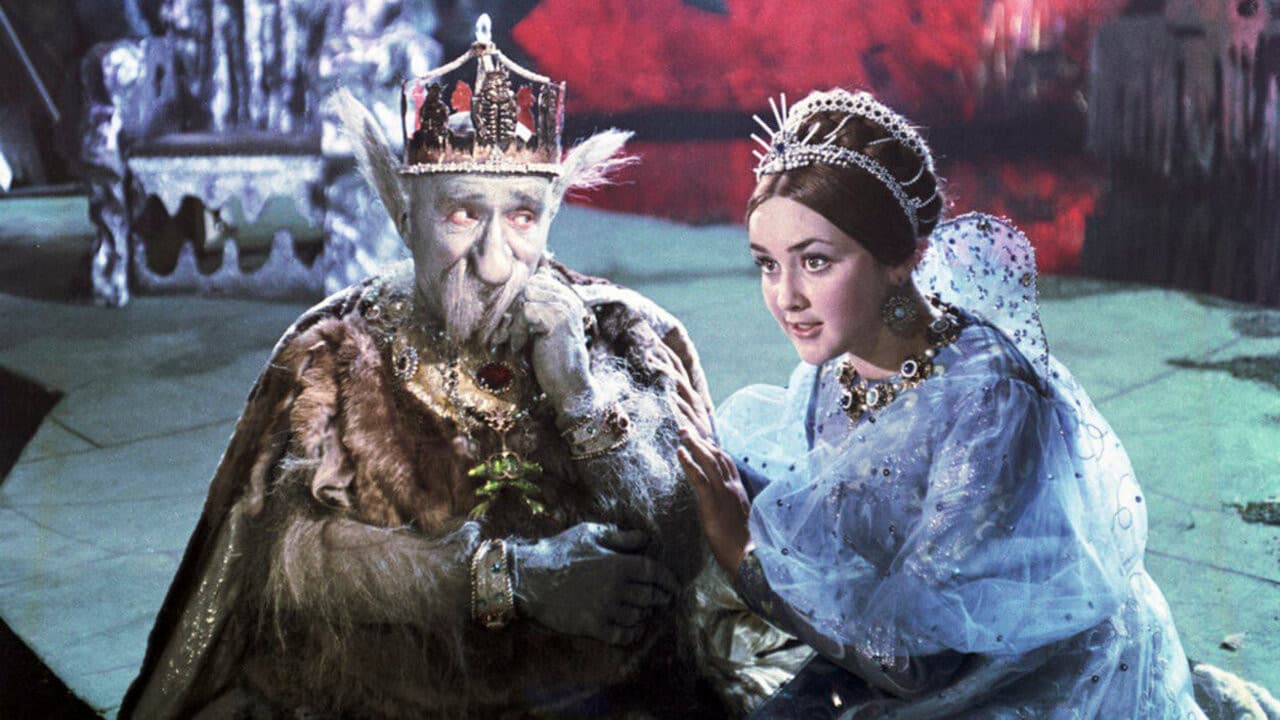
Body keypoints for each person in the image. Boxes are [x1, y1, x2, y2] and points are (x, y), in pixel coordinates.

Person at [119, 18, 759, 719]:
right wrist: (512, 579)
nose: (494, 262)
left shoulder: (622, 332)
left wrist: (580, 395)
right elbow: (291, 561)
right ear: (404, 217)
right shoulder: (336, 351)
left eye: (523, 216)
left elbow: (690, 553)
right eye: (461, 214)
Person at [676, 88, 1211, 718]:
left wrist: (743, 554)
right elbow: (836, 521)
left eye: (815, 262)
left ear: (904, 258)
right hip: (884, 648)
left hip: (1009, 677)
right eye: (767, 265)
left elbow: (918, 663)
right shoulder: (836, 364)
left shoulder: (990, 402)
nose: (786, 296)